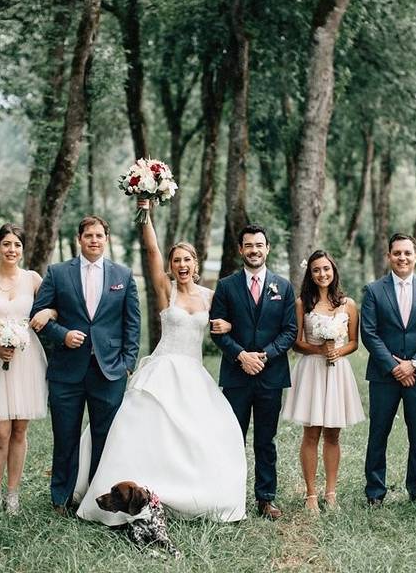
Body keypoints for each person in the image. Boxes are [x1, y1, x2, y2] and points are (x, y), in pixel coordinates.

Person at [75, 199, 246, 524]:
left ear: (196, 264)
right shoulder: (167, 290)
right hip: (162, 370)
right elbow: (152, 252)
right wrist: (146, 215)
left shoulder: (211, 297)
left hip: (194, 376)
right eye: (176, 260)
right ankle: (125, 499)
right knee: (143, 432)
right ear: (171, 265)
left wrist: (228, 326)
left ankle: (193, 497)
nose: (181, 265)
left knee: (206, 434)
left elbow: (231, 324)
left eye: (187, 260)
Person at [31, 215, 140, 514]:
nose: (94, 240)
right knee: (65, 436)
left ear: (106, 239)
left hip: (109, 372)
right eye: (88, 235)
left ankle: (98, 497)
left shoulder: (123, 275)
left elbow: (132, 324)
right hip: (67, 371)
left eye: (99, 236)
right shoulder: (57, 273)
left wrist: (127, 363)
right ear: (79, 239)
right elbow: (38, 316)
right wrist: (62, 335)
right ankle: (60, 498)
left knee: (104, 437)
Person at [210, 224, 298, 520]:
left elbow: (290, 331)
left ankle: (265, 498)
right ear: (240, 250)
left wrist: (265, 355)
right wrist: (241, 356)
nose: (254, 250)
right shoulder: (226, 286)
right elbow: (217, 330)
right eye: (249, 245)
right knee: (232, 437)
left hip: (270, 376)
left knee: (265, 439)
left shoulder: (283, 287)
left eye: (259, 245)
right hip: (236, 376)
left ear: (267, 248)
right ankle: (228, 496)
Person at [0, 224, 54, 515]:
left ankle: (13, 495)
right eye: (6, 244)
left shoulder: (33, 279)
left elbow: (54, 307)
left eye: (17, 244)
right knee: (0, 432)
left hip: (26, 362)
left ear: (23, 249)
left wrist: (47, 312)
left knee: (19, 431)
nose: (11, 250)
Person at [361, 233, 416, 505]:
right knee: (378, 433)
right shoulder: (374, 290)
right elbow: (369, 333)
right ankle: (375, 492)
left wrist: (414, 364)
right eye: (397, 253)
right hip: (384, 376)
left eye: (407, 253)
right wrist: (393, 366)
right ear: (389, 256)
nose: (402, 258)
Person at [282, 250, 364, 513]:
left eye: (326, 269)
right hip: (312, 371)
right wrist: (318, 350)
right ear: (310, 273)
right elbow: (296, 342)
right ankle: (310, 494)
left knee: (333, 434)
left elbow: (353, 342)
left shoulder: (348, 304)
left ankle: (331, 492)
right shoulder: (301, 303)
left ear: (333, 271)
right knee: (311, 433)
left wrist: (337, 351)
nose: (322, 274)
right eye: (316, 270)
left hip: (337, 370)